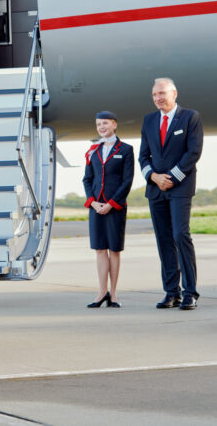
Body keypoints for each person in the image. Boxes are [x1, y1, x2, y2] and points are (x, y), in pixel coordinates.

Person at [138, 77, 203, 310]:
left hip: (180, 187)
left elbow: (193, 152)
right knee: (163, 240)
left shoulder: (190, 118)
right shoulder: (149, 121)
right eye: (155, 94)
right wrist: (154, 177)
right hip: (156, 189)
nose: (158, 98)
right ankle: (171, 292)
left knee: (180, 235)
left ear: (174, 94)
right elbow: (143, 156)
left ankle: (190, 292)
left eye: (162, 94)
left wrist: (172, 177)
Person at [82, 111, 134, 309]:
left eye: (105, 123)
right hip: (96, 207)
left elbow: (127, 181)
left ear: (114, 124)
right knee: (99, 250)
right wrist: (93, 202)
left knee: (114, 250)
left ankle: (114, 294)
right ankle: (101, 292)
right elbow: (87, 179)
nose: (101, 127)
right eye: (98, 124)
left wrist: (111, 204)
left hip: (115, 208)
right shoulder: (92, 150)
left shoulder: (126, 150)